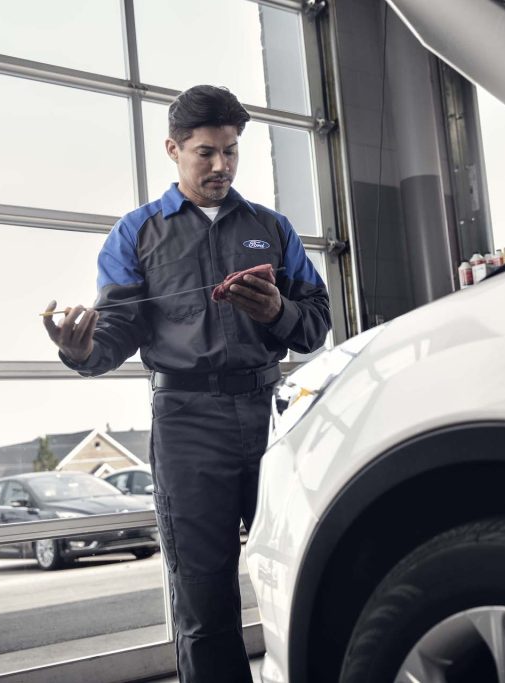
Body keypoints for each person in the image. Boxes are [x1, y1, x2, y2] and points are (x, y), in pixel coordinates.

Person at [43, 84, 331, 682]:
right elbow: (117, 330)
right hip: (187, 424)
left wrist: (277, 311)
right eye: (206, 152)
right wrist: (83, 349)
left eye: (231, 151)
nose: (221, 165)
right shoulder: (136, 234)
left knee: (309, 568)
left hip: (272, 414)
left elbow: (316, 326)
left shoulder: (271, 229)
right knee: (202, 595)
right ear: (174, 149)